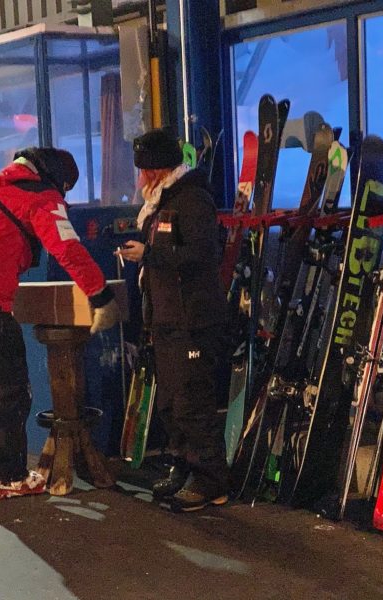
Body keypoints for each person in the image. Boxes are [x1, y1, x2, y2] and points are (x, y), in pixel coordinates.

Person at [0, 147, 120, 501]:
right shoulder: (41, 196)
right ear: (59, 181)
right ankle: (3, 475)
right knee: (11, 385)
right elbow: (67, 248)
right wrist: (101, 295)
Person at [117, 128, 230, 512]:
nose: (138, 179)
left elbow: (201, 254)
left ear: (155, 170)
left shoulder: (192, 199)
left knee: (192, 403)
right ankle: (183, 468)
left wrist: (148, 255)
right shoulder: (160, 203)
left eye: (142, 170)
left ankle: (210, 481)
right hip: (167, 319)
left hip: (193, 319)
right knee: (169, 403)